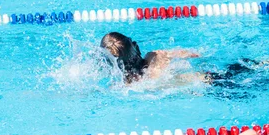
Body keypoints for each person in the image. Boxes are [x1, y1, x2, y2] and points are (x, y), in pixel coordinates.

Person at [99, 32, 260, 85]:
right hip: (210, 76)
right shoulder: (155, 55)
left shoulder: (129, 87)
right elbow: (194, 54)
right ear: (135, 47)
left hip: (207, 88)